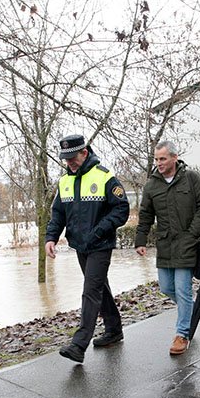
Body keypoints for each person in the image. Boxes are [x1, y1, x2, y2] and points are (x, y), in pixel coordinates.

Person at [45, 134, 130, 364]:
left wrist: (100, 230)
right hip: (80, 245)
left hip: (101, 244)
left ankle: (79, 344)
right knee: (99, 286)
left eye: (72, 157)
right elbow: (58, 214)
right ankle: (114, 330)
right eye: (66, 159)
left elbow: (121, 209)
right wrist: (51, 238)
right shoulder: (64, 182)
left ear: (85, 152)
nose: (69, 162)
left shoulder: (104, 176)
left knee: (90, 291)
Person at [135, 140, 200, 355]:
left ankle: (182, 335)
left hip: (187, 243)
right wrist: (140, 240)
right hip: (165, 245)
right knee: (166, 288)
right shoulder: (152, 185)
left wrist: (192, 234)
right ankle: (188, 312)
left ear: (174, 157)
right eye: (156, 159)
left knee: (182, 289)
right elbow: (146, 215)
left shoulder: (191, 178)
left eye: (163, 158)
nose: (159, 163)